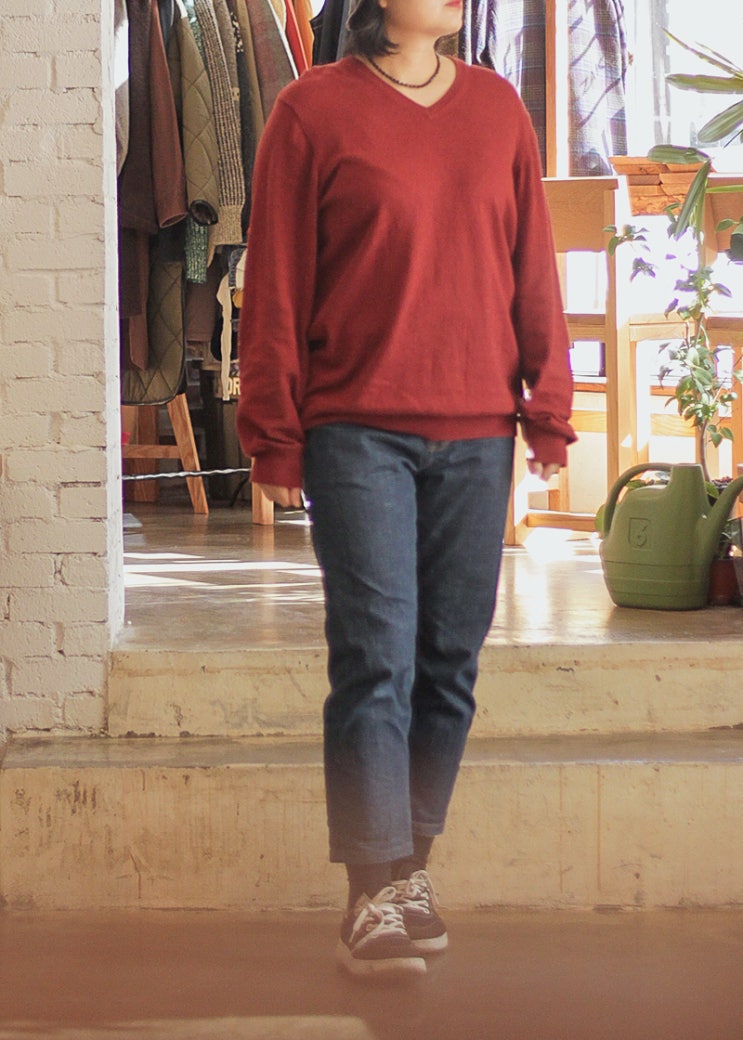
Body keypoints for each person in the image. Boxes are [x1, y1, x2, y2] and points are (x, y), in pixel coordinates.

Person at [237, 0, 576, 980]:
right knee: (374, 658)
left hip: (477, 431)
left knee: (447, 662)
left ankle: (407, 871)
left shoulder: (498, 109)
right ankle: (369, 890)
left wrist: (548, 406)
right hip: (356, 431)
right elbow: (276, 285)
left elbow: (532, 268)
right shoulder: (310, 112)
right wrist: (274, 435)